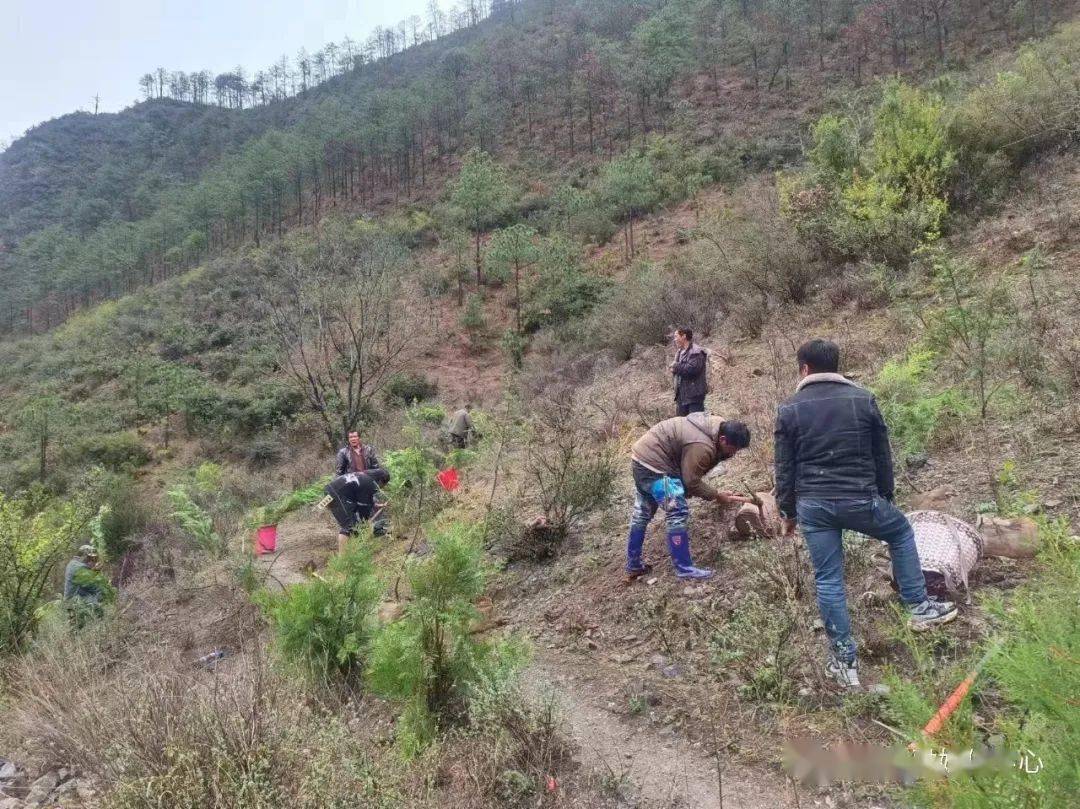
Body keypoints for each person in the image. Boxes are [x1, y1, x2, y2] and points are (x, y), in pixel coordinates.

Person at [774, 339, 957, 689]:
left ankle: (844, 663)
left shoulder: (789, 409)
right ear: (836, 366)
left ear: (804, 369)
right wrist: (885, 496)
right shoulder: (863, 399)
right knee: (900, 531)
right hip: (861, 499)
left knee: (828, 579)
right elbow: (882, 455)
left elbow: (784, 467)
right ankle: (918, 607)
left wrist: (787, 512)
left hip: (813, 506)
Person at [627, 412, 752, 580]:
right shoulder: (702, 445)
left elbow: (689, 475)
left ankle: (633, 564)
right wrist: (717, 496)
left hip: (640, 460)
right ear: (723, 440)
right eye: (733, 449)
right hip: (655, 467)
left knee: (642, 514)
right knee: (677, 512)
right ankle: (684, 568)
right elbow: (690, 480)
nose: (734, 453)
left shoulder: (715, 427)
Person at [325, 472, 386, 554]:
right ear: (381, 481)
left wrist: (376, 505)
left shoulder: (365, 477)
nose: (380, 488)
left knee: (354, 525)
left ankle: (353, 551)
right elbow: (363, 506)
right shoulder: (370, 483)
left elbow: (363, 499)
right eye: (383, 486)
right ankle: (343, 559)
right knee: (349, 525)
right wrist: (365, 521)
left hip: (333, 491)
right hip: (336, 494)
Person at [670, 328, 709, 417]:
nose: (674, 339)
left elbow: (692, 370)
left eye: (676, 336)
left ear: (684, 336)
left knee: (695, 425)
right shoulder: (680, 352)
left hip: (694, 396)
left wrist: (675, 366)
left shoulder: (696, 351)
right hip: (682, 397)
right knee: (681, 426)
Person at [64, 545, 105, 625]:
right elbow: (93, 586)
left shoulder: (72, 564)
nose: (91, 561)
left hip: (71, 602)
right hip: (78, 602)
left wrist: (93, 571)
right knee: (99, 614)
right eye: (89, 558)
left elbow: (83, 580)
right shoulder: (80, 567)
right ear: (83, 556)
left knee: (75, 628)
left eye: (92, 559)